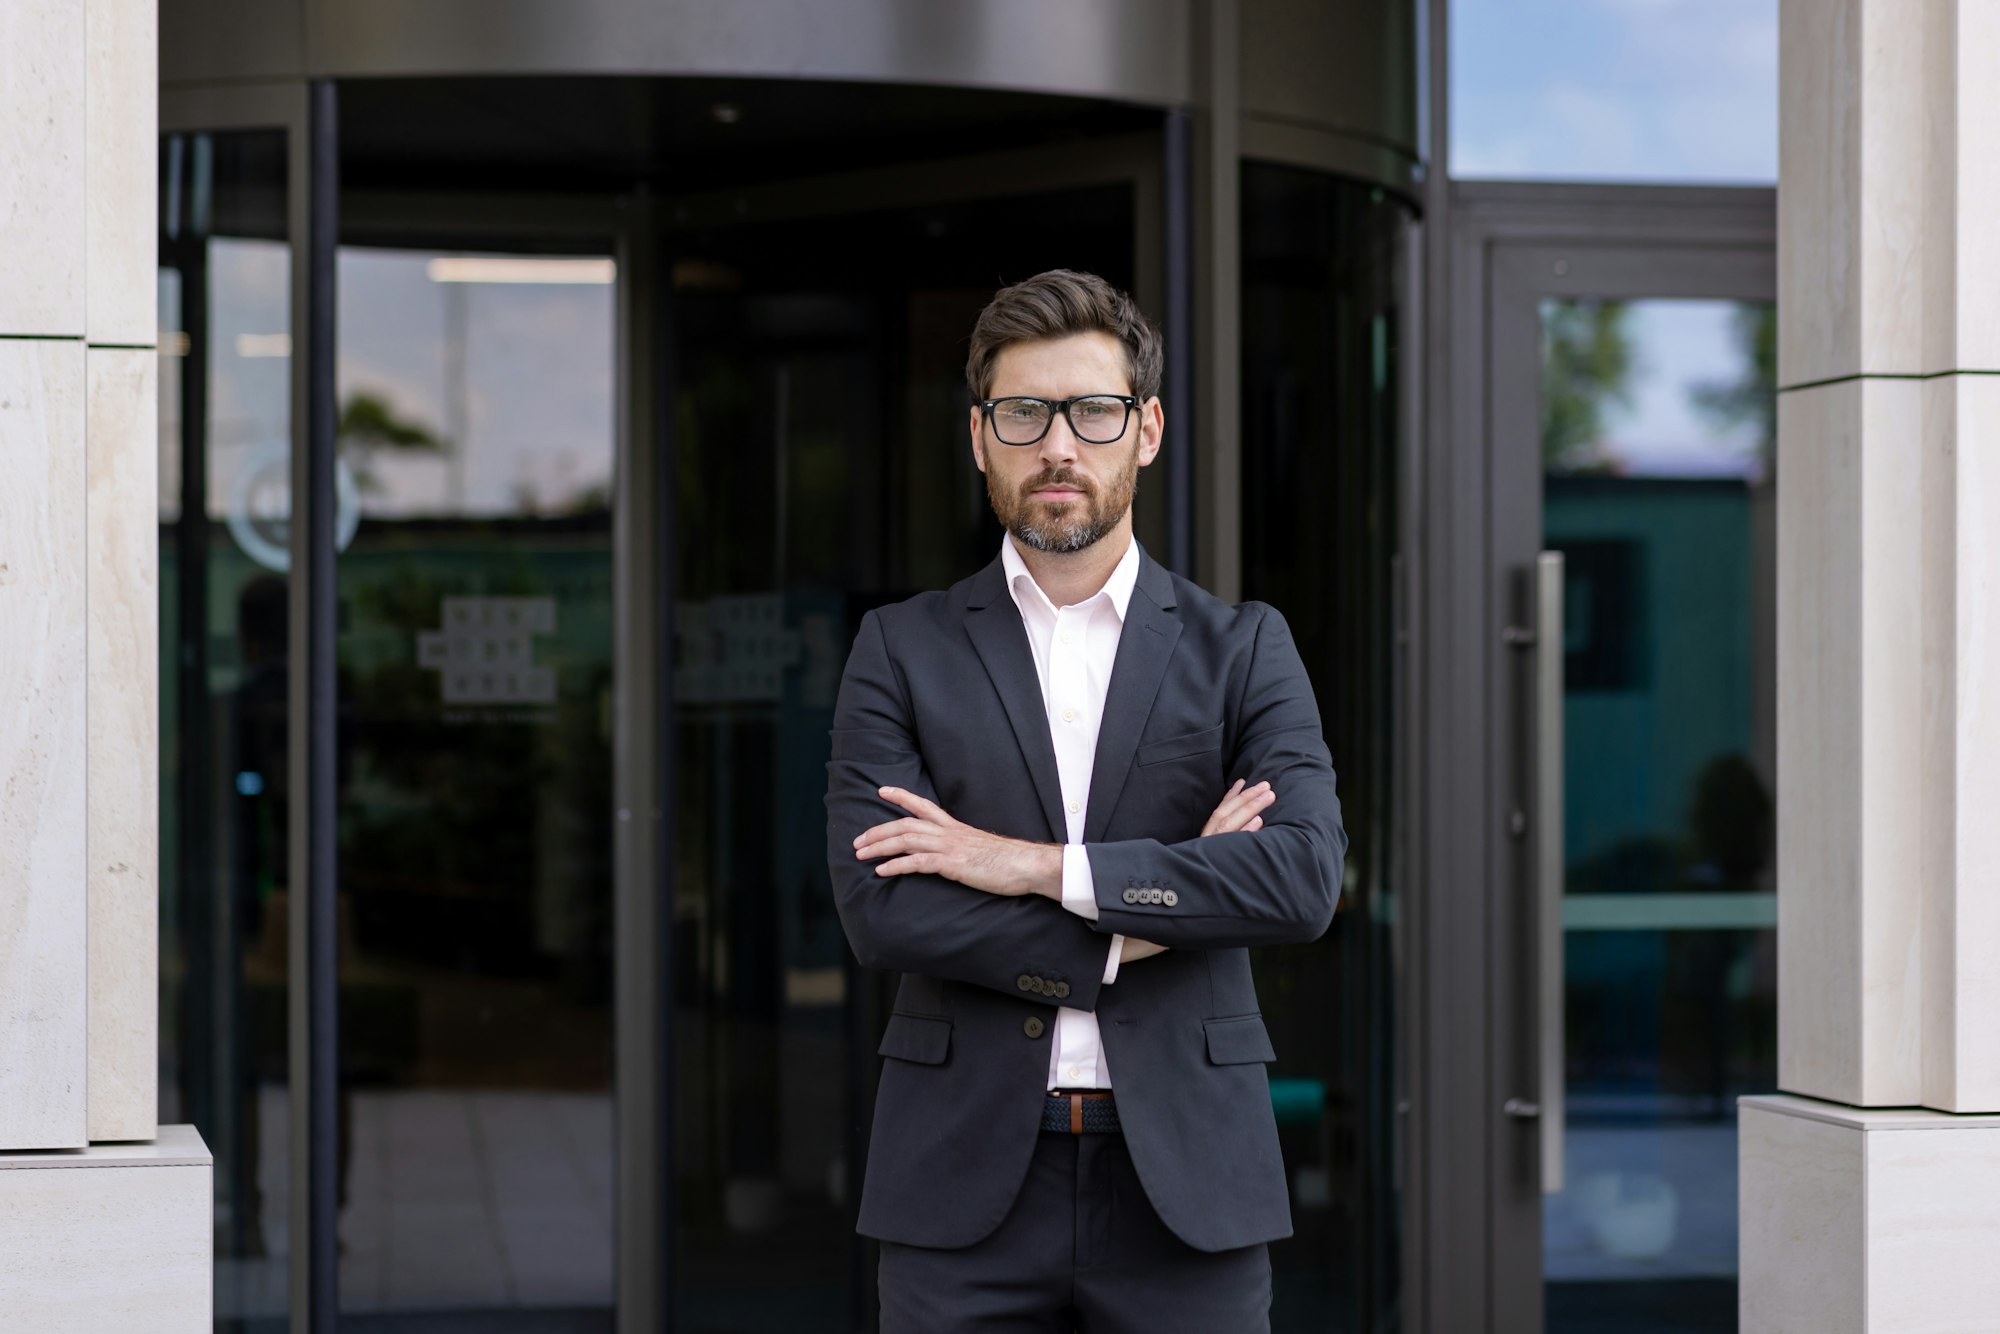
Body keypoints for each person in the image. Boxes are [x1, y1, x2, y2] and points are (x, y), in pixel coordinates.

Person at [825, 268, 1347, 1333]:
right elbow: (884, 905)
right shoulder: (900, 647)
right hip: (958, 1188)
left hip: (1187, 1185)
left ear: (1144, 429)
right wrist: (1165, 910)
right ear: (979, 437)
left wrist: (1024, 863)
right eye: (1022, 414)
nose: (1057, 446)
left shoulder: (1242, 645)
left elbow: (1296, 879)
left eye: (1092, 411)